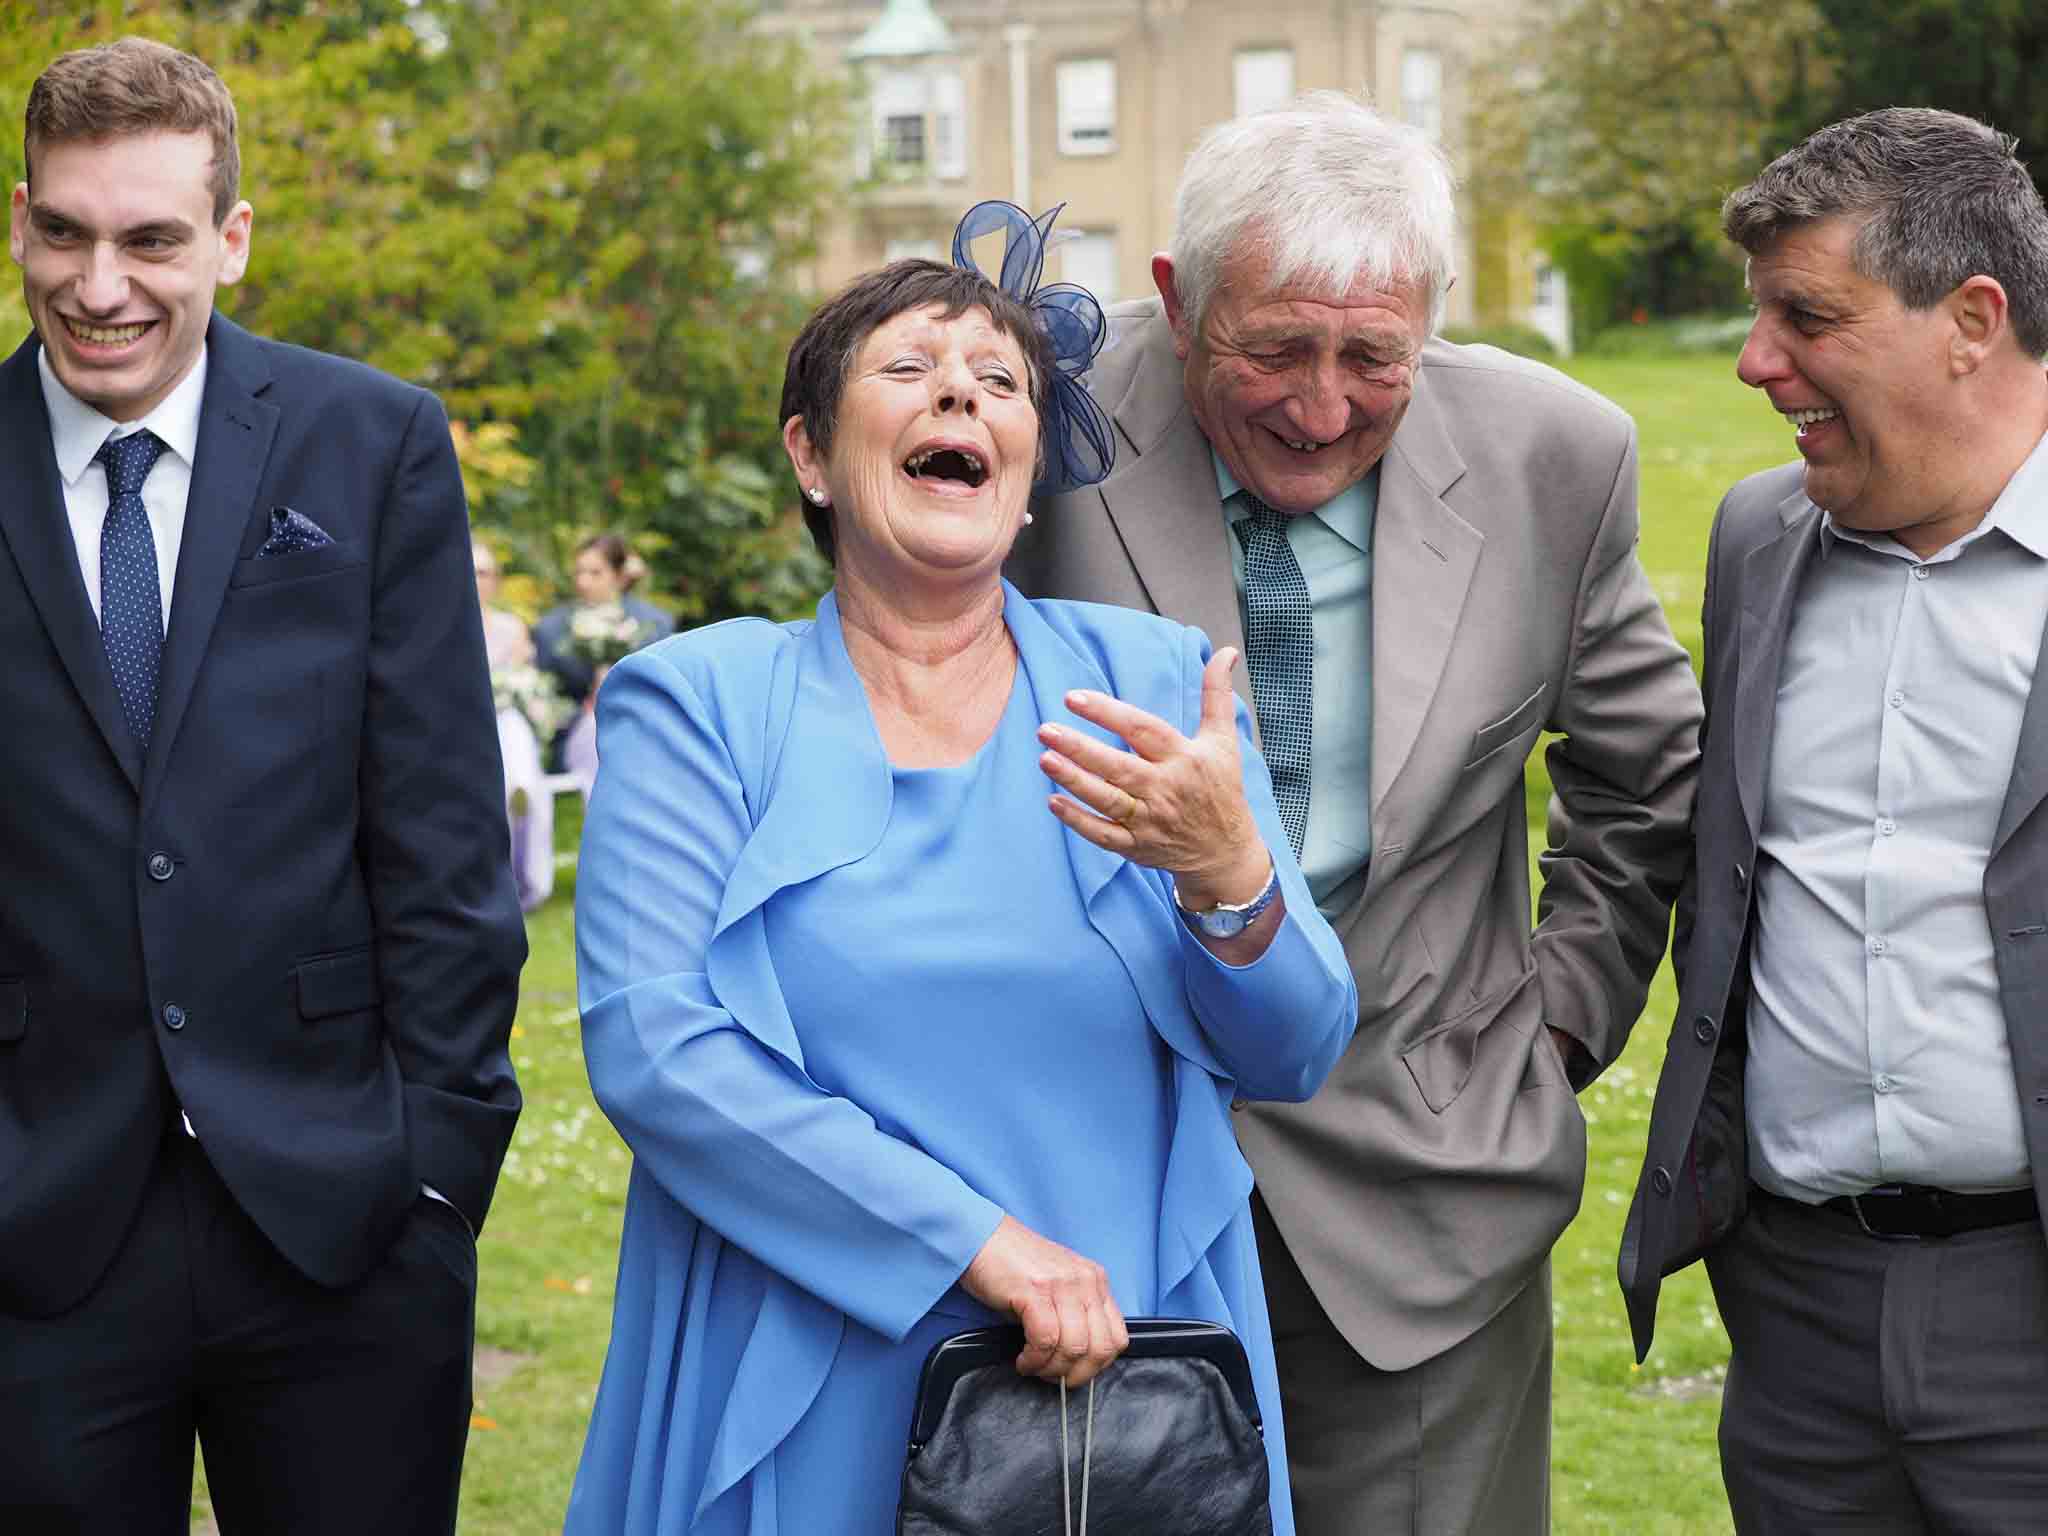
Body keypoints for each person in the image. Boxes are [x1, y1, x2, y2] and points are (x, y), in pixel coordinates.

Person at [563, 210, 1359, 1536]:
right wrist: (974, 1245)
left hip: (1112, 1382)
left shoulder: (1151, 683)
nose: (959, 395)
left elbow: (1298, 1048)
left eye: (1000, 384)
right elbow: (655, 1047)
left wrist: (1231, 876)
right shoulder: (693, 705)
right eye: (910, 371)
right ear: (811, 456)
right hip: (805, 1362)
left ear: (1029, 464)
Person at [1010, 94, 1703, 1535]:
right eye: (1274, 351)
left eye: (1372, 358)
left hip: (1422, 1198)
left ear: (1429, 321)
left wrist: (1549, 1031)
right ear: (1175, 300)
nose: (1322, 410)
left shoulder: (1554, 457)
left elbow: (1645, 780)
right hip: (1074, 1192)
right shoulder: (1036, 431)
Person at [0, 38, 525, 1535]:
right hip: (33, 1233)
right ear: (22, 217)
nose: (102, 284)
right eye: (65, 232)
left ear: (231, 238)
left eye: (152, 238)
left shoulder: (373, 445)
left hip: (343, 1220)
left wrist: (436, 1180)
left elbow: (439, 838)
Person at [1621, 107, 2048, 1531]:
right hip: (1797, 1314)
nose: (1756, 363)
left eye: (1808, 316)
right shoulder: (1757, 537)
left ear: (1972, 321)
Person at [532, 530, 674, 709]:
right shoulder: (550, 627)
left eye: (595, 573)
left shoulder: (654, 624)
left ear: (620, 576)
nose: (583, 582)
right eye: (579, 572)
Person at [474, 534, 535, 668]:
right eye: (470, 572)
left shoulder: (513, 627)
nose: (475, 580)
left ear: (495, 580)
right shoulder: (440, 628)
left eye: (482, 573)